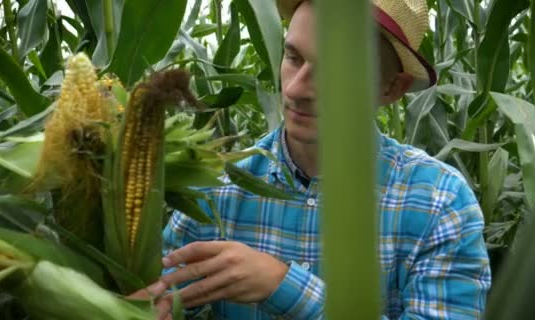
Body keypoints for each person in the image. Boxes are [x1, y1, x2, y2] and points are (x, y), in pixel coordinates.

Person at [139, 0, 491, 319]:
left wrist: (284, 287)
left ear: (392, 88)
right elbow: (153, 296)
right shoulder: (217, 187)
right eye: (293, 58)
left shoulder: (440, 205)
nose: (295, 90)